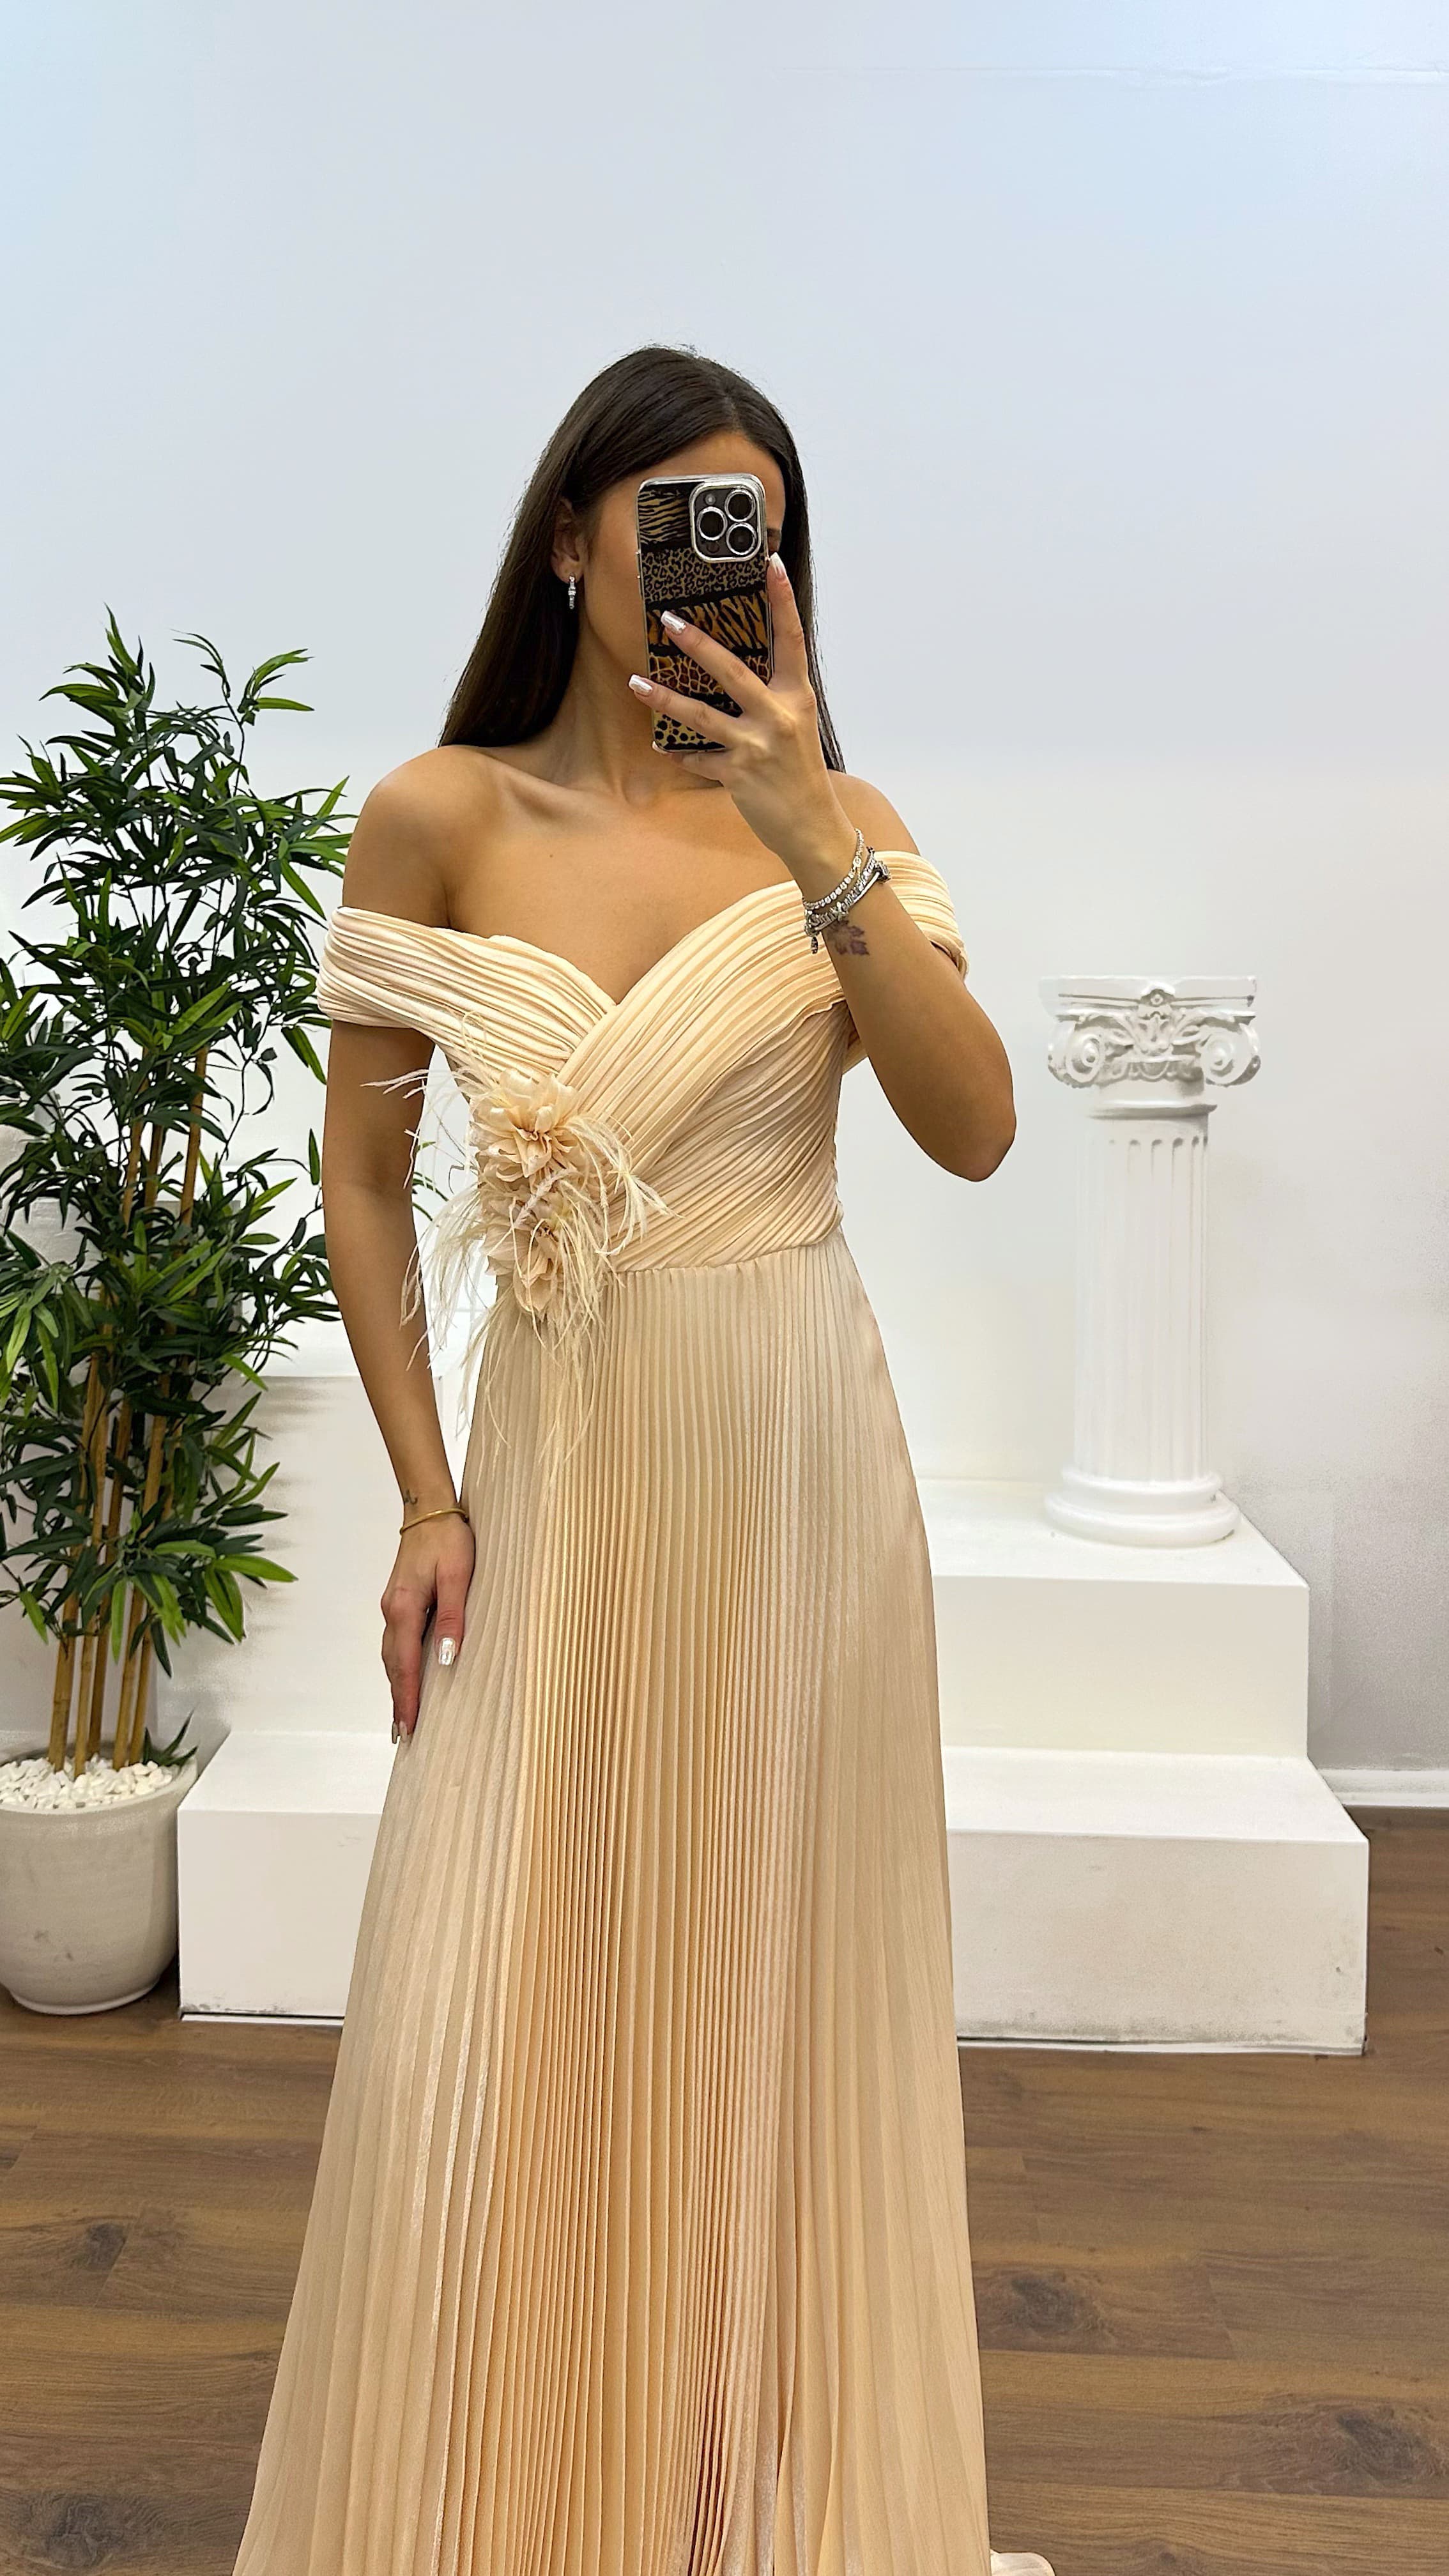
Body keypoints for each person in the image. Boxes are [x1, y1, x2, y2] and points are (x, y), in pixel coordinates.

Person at [230, 345, 1052, 2576]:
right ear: (569, 542)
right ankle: (518, 2488)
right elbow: (363, 1180)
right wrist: (425, 1496)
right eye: (676, 517)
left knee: (770, 1973)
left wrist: (807, 835)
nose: (716, 561)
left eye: (753, 529)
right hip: (562, 1474)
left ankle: (737, 2494)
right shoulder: (441, 816)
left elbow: (973, 1131)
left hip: (793, 1473)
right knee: (508, 1981)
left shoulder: (842, 823)